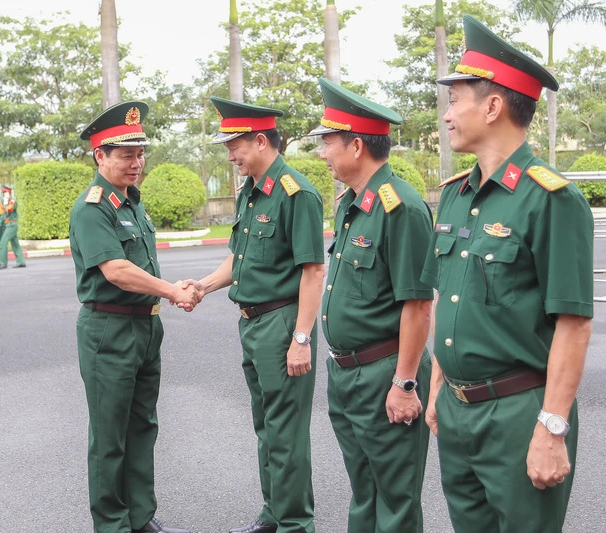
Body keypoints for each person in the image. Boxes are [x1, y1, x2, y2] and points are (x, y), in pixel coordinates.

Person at [422, 15, 593, 533]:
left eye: (456, 100)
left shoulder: (551, 200)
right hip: (456, 408)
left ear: (493, 106)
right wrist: (436, 386)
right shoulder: (453, 195)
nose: (447, 116)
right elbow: (447, 298)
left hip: (520, 414)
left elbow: (574, 323)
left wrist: (553, 426)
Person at [184, 97, 325, 533]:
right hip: (252, 323)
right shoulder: (253, 191)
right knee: (267, 428)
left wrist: (301, 337)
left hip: (283, 325)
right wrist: (203, 287)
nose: (230, 154)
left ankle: (295, 524)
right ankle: (274, 514)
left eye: (235, 145)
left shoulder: (295, 193)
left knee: (285, 433)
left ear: (261, 140)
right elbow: (239, 260)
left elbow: (313, 269)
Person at [306, 78, 433, 532]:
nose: (323, 153)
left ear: (356, 145)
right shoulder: (351, 204)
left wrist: (404, 383)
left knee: (395, 500)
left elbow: (418, 306)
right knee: (364, 492)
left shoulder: (401, 208)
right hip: (346, 374)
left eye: (329, 143)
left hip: (384, 373)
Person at [70, 100, 195, 533]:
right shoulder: (93, 207)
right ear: (99, 155)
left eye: (140, 153)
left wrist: (164, 297)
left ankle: (140, 518)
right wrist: (172, 291)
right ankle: (112, 524)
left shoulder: (130, 203)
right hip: (109, 328)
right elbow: (117, 271)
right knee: (110, 435)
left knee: (142, 426)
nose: (136, 163)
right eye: (125, 155)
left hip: (144, 326)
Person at [0, 184, 26, 269]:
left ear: (9, 193)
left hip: (12, 225)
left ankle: (3, 263)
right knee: (15, 244)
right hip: (8, 225)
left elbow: (9, 210)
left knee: (3, 242)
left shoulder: (12, 202)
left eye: (5, 192)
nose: (4, 194)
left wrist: (5, 202)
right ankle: (21, 262)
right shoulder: (4, 202)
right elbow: (1, 213)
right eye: (3, 192)